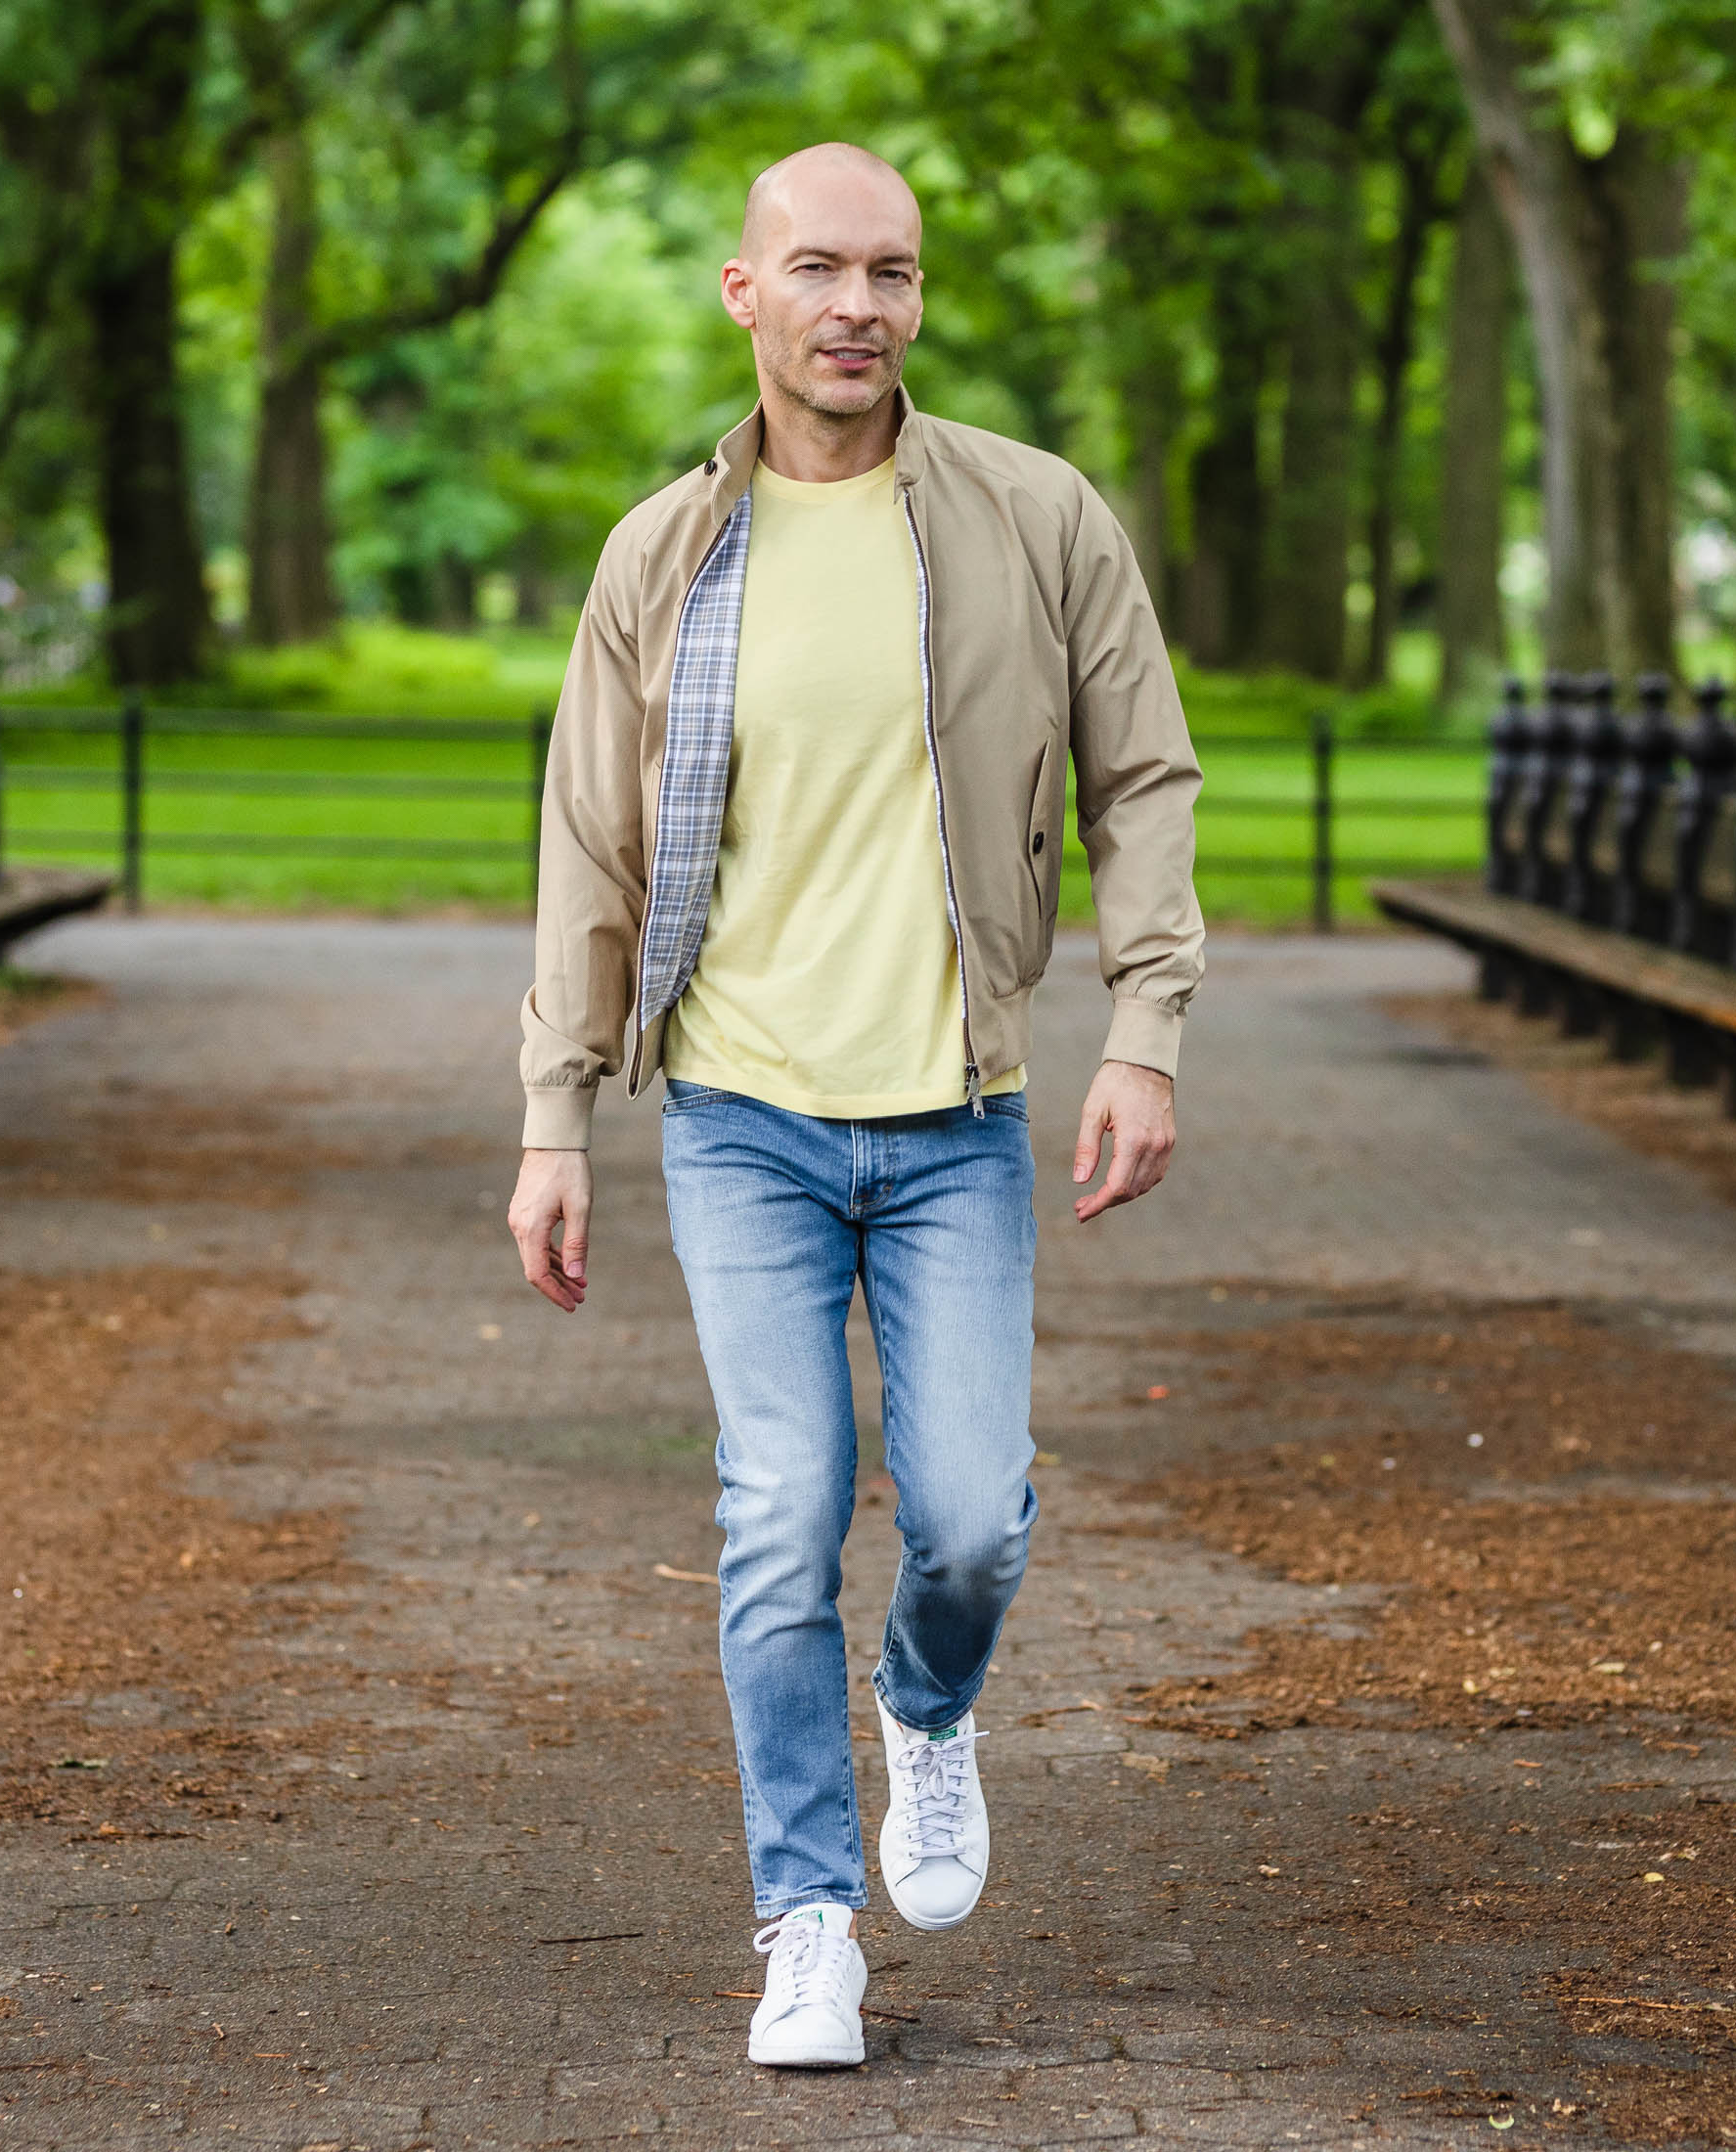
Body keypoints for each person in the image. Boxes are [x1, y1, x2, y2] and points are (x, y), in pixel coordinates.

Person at [507, 143, 1203, 2068]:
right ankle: (806, 1917)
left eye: (890, 271)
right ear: (744, 290)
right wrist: (556, 1113)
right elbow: (589, 843)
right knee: (780, 1502)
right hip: (740, 1112)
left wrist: (1144, 1029)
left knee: (970, 1518)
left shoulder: (1034, 519)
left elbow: (1148, 778)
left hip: (957, 1108)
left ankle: (931, 1702)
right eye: (817, 267)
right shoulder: (667, 549)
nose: (858, 305)